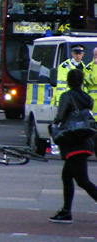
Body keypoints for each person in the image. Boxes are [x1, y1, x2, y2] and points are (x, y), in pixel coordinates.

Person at [49, 69, 97, 223]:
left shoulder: (67, 96)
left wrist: (55, 124)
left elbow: (61, 116)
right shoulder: (87, 97)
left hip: (72, 141)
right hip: (85, 140)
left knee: (82, 180)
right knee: (67, 176)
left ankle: (66, 212)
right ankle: (66, 211)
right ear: (82, 81)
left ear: (68, 81)